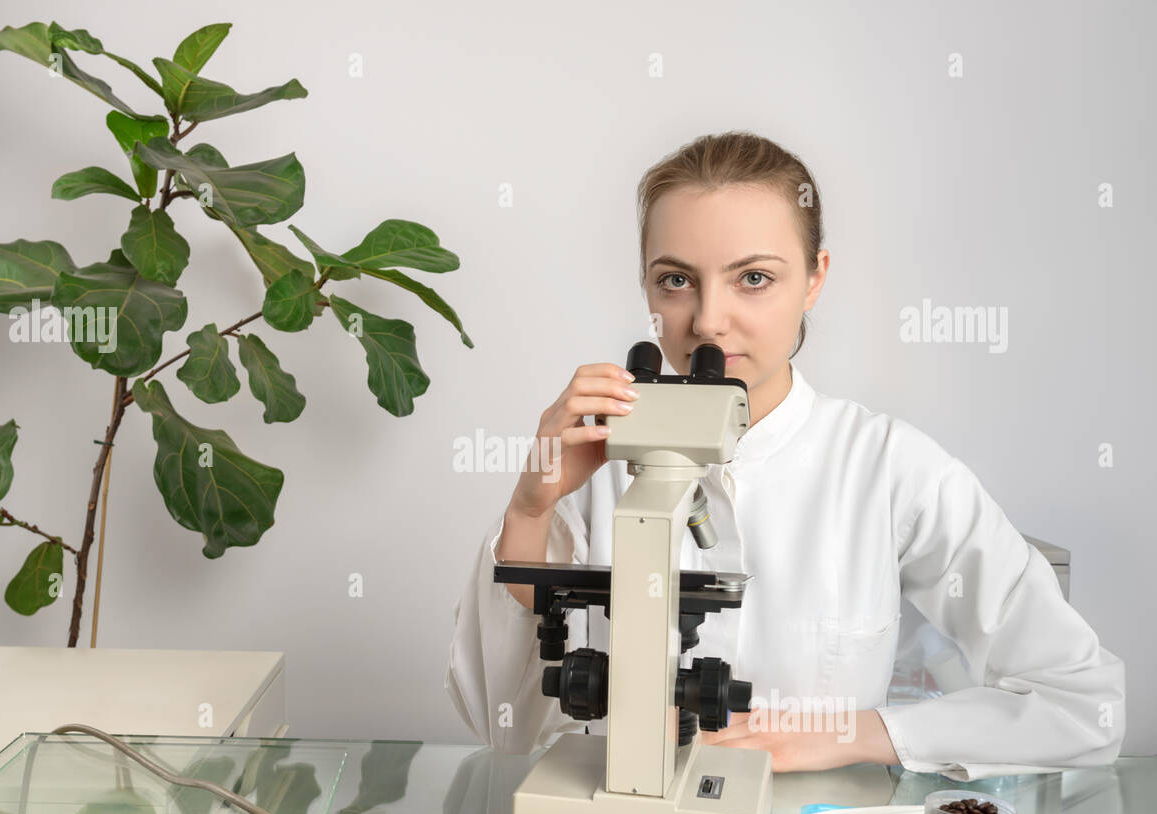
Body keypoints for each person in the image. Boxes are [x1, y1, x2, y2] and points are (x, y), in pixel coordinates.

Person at [445, 131, 1125, 781]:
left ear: (814, 278)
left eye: (753, 278)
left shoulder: (889, 469)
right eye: (676, 280)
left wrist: (859, 732)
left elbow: (1085, 706)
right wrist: (530, 506)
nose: (708, 320)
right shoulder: (592, 461)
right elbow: (501, 727)